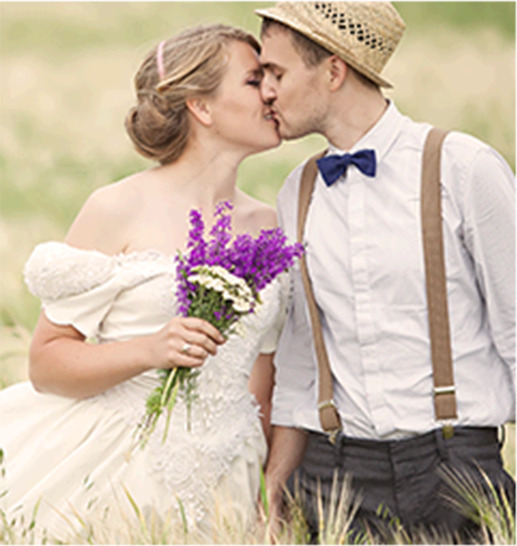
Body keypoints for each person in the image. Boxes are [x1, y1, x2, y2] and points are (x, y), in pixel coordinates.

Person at [0, 23, 285, 541]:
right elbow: (46, 363)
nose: (271, 92)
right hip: (119, 467)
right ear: (201, 106)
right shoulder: (117, 208)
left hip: (230, 481)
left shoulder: (269, 225)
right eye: (252, 79)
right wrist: (150, 349)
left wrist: (266, 490)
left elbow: (261, 372)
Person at [255, 1, 515, 542]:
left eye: (276, 73)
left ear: (333, 70)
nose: (266, 92)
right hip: (335, 477)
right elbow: (302, 353)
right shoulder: (296, 192)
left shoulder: (462, 167)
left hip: (455, 464)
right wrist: (276, 480)